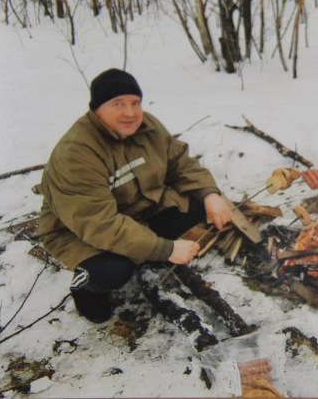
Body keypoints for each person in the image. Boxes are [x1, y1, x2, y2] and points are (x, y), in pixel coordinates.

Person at [39, 69, 233, 323]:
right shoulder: (76, 152)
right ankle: (84, 287)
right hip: (81, 232)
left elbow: (180, 165)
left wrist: (210, 195)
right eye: (118, 104)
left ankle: (141, 250)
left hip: (139, 212)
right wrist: (165, 249)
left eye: (135, 103)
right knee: (112, 272)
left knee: (198, 206)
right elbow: (99, 223)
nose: (130, 113)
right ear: (97, 109)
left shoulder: (147, 127)